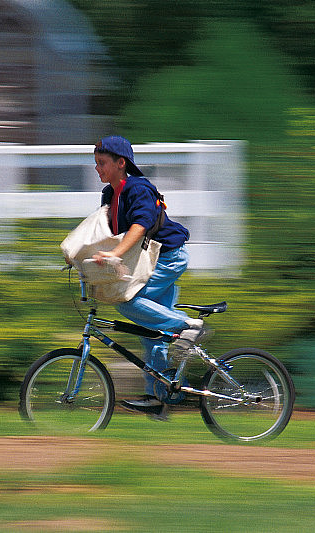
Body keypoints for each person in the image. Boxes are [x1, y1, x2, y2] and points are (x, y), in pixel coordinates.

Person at [91, 136, 206, 419]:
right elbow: (101, 232)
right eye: (95, 164)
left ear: (121, 163)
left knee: (126, 300)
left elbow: (140, 225)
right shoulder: (110, 195)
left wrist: (115, 253)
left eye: (102, 163)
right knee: (152, 331)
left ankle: (190, 325)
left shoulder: (138, 189)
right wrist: (80, 254)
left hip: (168, 258)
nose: (97, 169)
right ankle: (163, 395)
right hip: (149, 261)